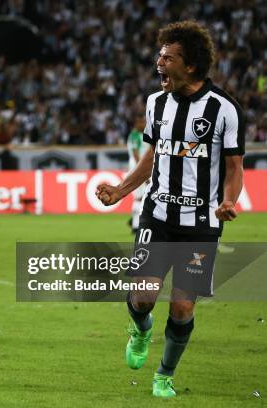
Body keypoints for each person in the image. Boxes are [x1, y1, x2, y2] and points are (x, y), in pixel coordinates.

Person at [95, 20, 245, 398]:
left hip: (200, 226)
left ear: (190, 65)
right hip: (157, 216)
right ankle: (141, 328)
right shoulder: (155, 103)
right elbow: (151, 157)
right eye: (160, 55)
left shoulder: (224, 109)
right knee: (143, 295)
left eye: (168, 57)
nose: (159, 61)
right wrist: (121, 190)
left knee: (181, 308)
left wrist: (228, 201)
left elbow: (234, 167)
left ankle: (164, 375)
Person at [126, 114, 148, 233]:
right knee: (139, 197)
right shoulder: (134, 136)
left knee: (143, 196)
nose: (144, 124)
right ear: (137, 123)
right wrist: (142, 172)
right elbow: (135, 155)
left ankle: (136, 221)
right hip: (137, 169)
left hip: (143, 168)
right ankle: (135, 225)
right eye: (142, 122)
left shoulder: (143, 134)